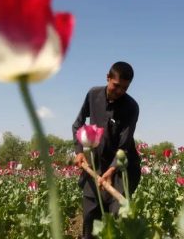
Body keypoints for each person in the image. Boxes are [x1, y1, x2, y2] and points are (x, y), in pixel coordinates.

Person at [72, 61, 141, 239]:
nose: (119, 91)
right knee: (90, 217)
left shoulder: (131, 107)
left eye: (124, 88)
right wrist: (79, 151)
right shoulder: (93, 94)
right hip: (96, 165)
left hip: (121, 169)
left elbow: (123, 146)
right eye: (116, 86)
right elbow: (78, 124)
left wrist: (111, 171)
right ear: (108, 78)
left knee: (115, 218)